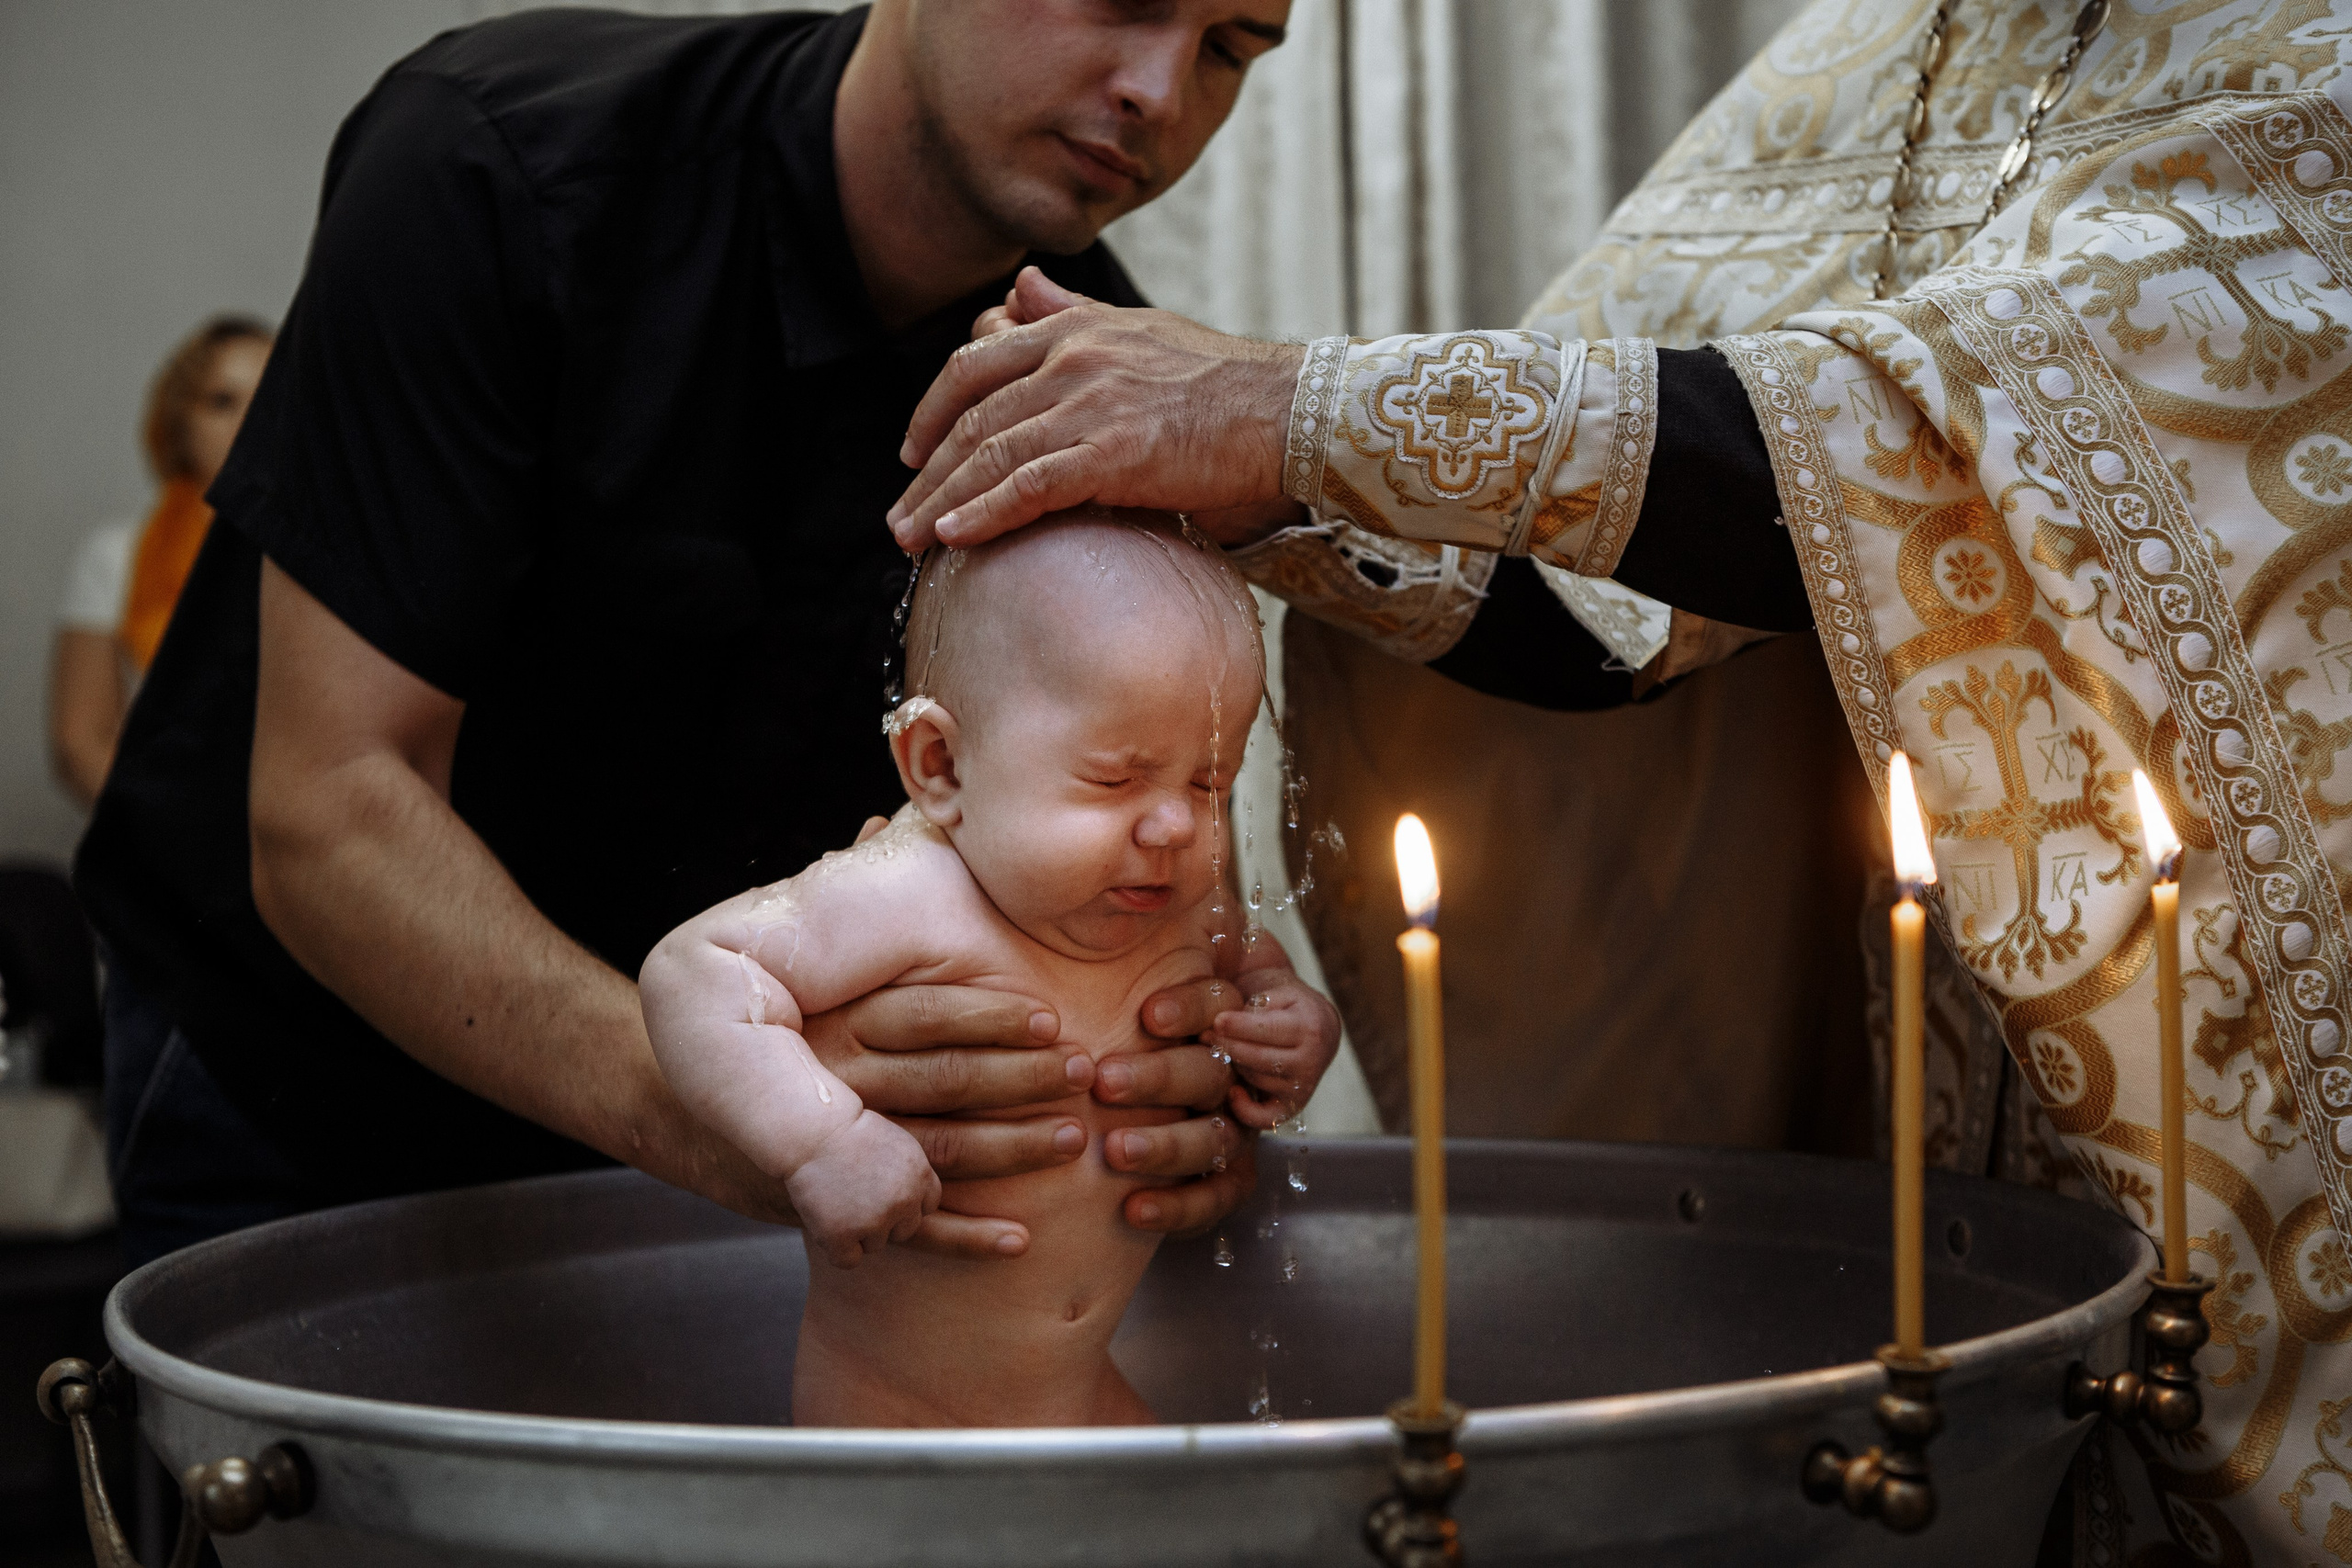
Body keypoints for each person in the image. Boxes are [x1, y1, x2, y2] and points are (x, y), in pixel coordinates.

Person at [887, 3, 2352, 1557]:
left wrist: (1298, 412)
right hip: (1901, 1140)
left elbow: (1926, 438)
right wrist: (1279, 488)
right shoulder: (1879, 51)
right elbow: (1614, 592)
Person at [74, 0, 1336, 1273]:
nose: (1163, 92)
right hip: (303, 1083)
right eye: (1125, 0)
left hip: (739, 1107)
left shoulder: (1084, 384)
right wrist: (750, 1116)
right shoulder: (497, 162)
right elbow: (333, 813)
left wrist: (1160, 1082)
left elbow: (1107, 858)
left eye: (1231, 48)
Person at [645, 511, 1334, 1426]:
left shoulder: (1176, 900)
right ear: (940, 765)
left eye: (1207, 780)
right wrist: (820, 1138)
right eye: (1115, 778)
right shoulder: (903, 891)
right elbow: (694, 969)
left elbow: (1257, 970)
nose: (1173, 825)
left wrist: (1293, 1027)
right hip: (895, 1410)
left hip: (1085, 1388)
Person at [49, 317, 271, 808]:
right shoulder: (116, 556)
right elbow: (80, 742)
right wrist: (176, 841)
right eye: (222, 401)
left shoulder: (330, 558)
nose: (252, 420)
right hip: (163, 846)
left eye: (270, 398)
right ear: (178, 424)